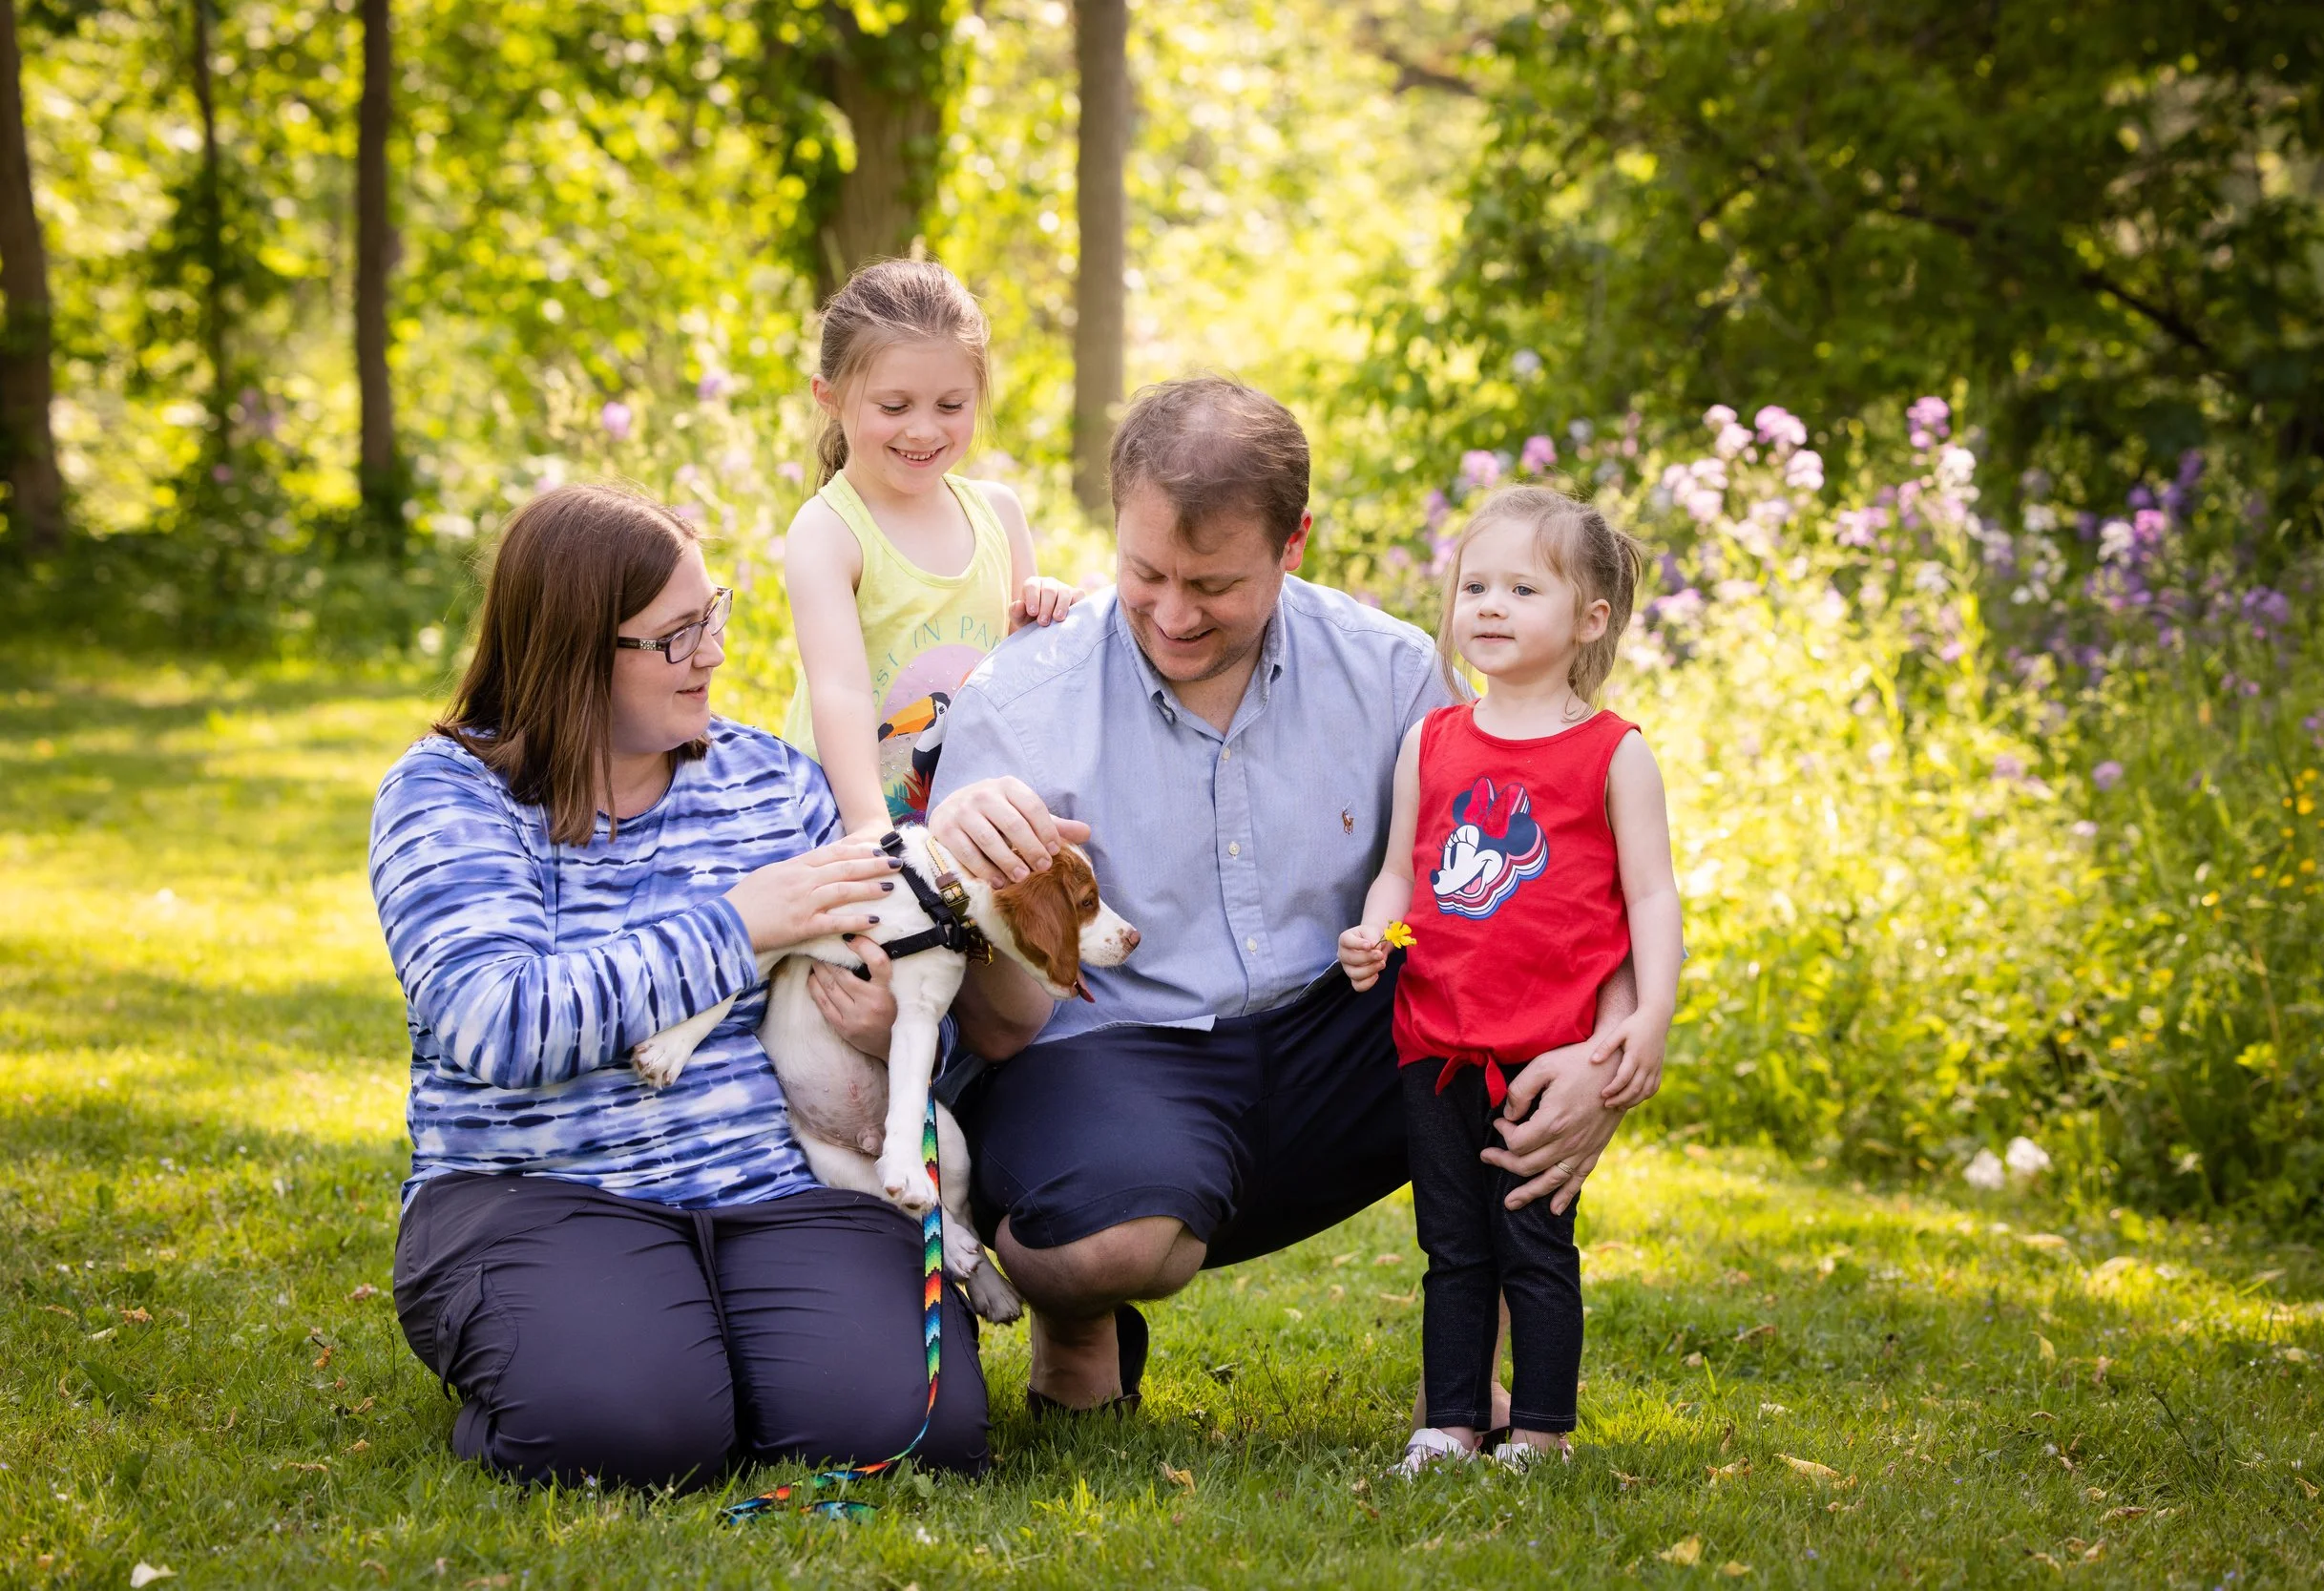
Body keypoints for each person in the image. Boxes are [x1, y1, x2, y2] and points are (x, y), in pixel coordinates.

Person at [917, 377, 1643, 1415]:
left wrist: (1602, 1061)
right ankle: (1078, 1322)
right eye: (1144, 572)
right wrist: (979, 887)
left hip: (1341, 1030)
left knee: (1512, 1046)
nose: (1173, 613)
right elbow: (993, 1034)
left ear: (1294, 540)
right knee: (1101, 1240)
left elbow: (1560, 881)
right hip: (1123, 1047)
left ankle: (1487, 1396)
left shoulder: (1393, 674)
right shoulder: (1022, 704)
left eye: (1212, 584)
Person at [369, 482, 989, 1488]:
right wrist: (741, 924)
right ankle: (613, 1354)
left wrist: (886, 1022)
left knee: (913, 1428)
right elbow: (501, 1021)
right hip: (537, 1190)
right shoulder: (449, 792)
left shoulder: (771, 781)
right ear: (572, 649)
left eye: (713, 615)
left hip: (776, 1184)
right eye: (673, 636)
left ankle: (706, 1345)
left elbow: (908, 983)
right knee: (631, 1438)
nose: (712, 652)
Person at [1340, 485, 1684, 1474]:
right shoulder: (1432, 740)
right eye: (1475, 584)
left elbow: (1650, 898)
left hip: (1548, 1052)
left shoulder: (1613, 754)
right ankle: (1448, 1421)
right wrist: (1372, 930)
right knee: (1451, 1249)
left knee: (1534, 1247)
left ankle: (1540, 1429)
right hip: (1435, 1041)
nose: (1489, 605)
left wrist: (1647, 1017)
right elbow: (1402, 870)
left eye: (1522, 588)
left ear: (1588, 619)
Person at [780, 258, 1079, 837]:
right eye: (894, 407)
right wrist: (872, 833)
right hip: (842, 822)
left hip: (964, 823)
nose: (924, 430)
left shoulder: (997, 513)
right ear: (830, 397)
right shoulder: (829, 532)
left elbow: (1019, 682)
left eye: (951, 406)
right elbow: (838, 691)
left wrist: (1048, 608)